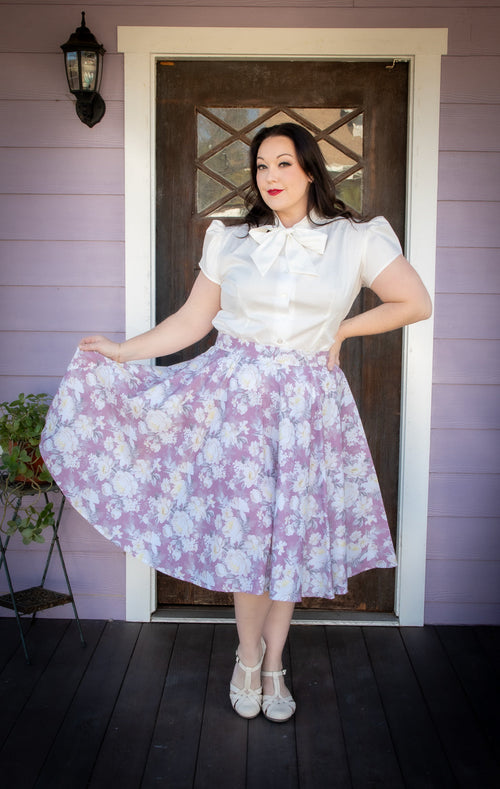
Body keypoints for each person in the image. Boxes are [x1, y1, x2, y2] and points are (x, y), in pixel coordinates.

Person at [40, 123, 432, 723]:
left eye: (284, 163)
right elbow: (192, 321)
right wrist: (122, 351)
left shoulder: (355, 239)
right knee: (249, 537)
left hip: (304, 412)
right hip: (236, 408)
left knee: (288, 538)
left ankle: (275, 664)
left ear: (310, 170)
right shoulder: (232, 241)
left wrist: (343, 330)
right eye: (261, 166)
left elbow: (415, 302)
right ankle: (247, 659)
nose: (270, 176)